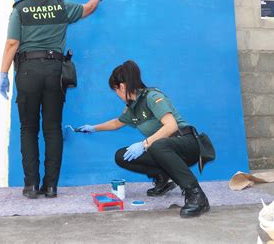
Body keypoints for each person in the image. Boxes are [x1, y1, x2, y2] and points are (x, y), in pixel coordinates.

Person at [0, 0, 103, 199]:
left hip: (27, 72)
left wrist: (3, 73)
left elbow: (12, 43)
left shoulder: (20, 8)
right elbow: (88, 9)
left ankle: (31, 186)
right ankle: (51, 186)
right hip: (55, 72)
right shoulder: (61, 6)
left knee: (28, 129)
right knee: (53, 128)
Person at [77, 60, 210, 218]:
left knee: (156, 146)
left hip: (187, 143)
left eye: (115, 91)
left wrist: (144, 143)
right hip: (164, 150)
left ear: (122, 86)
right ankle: (163, 177)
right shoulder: (132, 106)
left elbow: (171, 125)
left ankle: (197, 195)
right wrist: (92, 128)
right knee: (122, 155)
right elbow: (116, 123)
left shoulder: (152, 96)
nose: (117, 95)